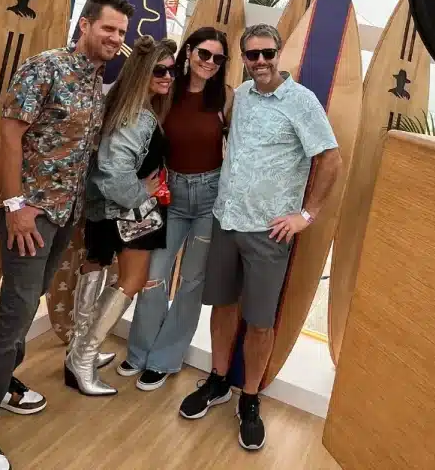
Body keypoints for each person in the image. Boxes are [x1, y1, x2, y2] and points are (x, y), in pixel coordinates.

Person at [0, 0, 134, 469]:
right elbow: (8, 135)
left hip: (63, 216)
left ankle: (6, 381)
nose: (115, 39)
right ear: (85, 25)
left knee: (24, 304)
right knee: (13, 316)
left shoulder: (97, 84)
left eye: (121, 33)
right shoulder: (45, 68)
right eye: (108, 29)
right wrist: (14, 206)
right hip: (28, 219)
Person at [177, 23, 343, 451]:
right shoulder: (242, 98)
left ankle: (249, 398)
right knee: (223, 305)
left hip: (269, 232)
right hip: (226, 220)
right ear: (245, 59)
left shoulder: (301, 102)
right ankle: (217, 381)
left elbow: (330, 158)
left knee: (261, 321)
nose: (262, 62)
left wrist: (307, 214)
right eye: (253, 56)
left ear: (280, 53)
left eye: (268, 54)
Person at [116, 27, 234, 391]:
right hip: (171, 195)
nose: (209, 63)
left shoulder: (226, 99)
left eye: (218, 58)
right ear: (188, 53)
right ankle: (139, 352)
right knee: (154, 274)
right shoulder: (168, 89)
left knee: (192, 282)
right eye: (203, 54)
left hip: (210, 197)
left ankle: (165, 359)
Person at [65, 35, 178, 396]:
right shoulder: (139, 116)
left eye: (171, 70)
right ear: (141, 72)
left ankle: (78, 350)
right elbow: (114, 171)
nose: (167, 76)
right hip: (131, 212)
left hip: (105, 211)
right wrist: (140, 194)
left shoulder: (123, 105)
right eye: (158, 70)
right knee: (131, 281)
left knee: (96, 267)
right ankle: (83, 356)